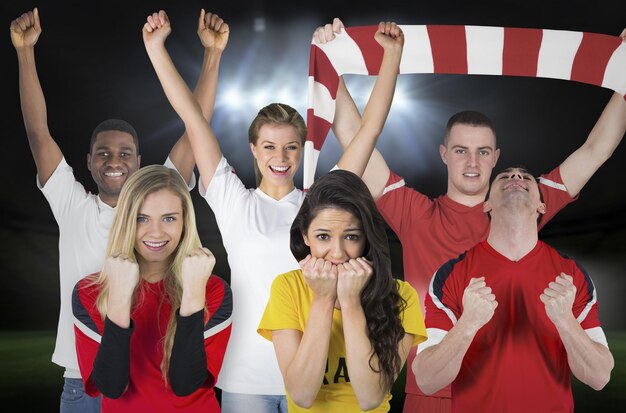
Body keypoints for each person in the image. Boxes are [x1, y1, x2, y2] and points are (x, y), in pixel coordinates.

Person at [314, 19, 626, 412]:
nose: (473, 162)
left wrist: (622, 72)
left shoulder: (524, 203)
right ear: (444, 154)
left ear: (496, 157)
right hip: (432, 392)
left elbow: (597, 149)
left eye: (483, 152)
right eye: (461, 150)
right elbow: (354, 138)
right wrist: (332, 66)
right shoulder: (414, 212)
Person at [142, 10, 404, 412]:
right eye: (269, 146)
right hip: (246, 379)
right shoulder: (232, 198)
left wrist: (391, 58)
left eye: (290, 147)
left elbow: (368, 131)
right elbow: (192, 117)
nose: (280, 157)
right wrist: (156, 50)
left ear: (302, 149)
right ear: (253, 149)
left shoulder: (321, 204)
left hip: (315, 376)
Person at [9, 7, 219, 412]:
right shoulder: (72, 206)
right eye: (103, 153)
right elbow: (38, 134)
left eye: (124, 153)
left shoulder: (154, 205)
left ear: (139, 162)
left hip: (147, 377)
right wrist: (24, 52)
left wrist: (212, 57)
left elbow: (196, 133)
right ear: (87, 162)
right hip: (82, 380)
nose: (113, 160)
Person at [413, 166, 614, 412]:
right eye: (505, 176)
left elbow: (599, 377)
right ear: (486, 205)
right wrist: (468, 324)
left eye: (526, 176)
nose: (516, 177)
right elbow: (427, 380)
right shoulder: (450, 274)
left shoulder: (572, 274)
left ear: (542, 206)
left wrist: (565, 321)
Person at [258, 169, 427, 413]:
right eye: (323, 236)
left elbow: (371, 398)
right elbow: (302, 395)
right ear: (305, 236)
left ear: (367, 239)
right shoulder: (287, 287)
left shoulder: (401, 295)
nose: (337, 253)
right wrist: (323, 298)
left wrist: (350, 302)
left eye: (351, 236)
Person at [72, 165, 233, 412]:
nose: (156, 232)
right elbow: (111, 387)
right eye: (141, 218)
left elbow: (185, 384)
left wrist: (192, 293)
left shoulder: (212, 290)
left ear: (185, 221)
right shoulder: (89, 292)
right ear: (125, 220)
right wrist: (119, 297)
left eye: (169, 218)